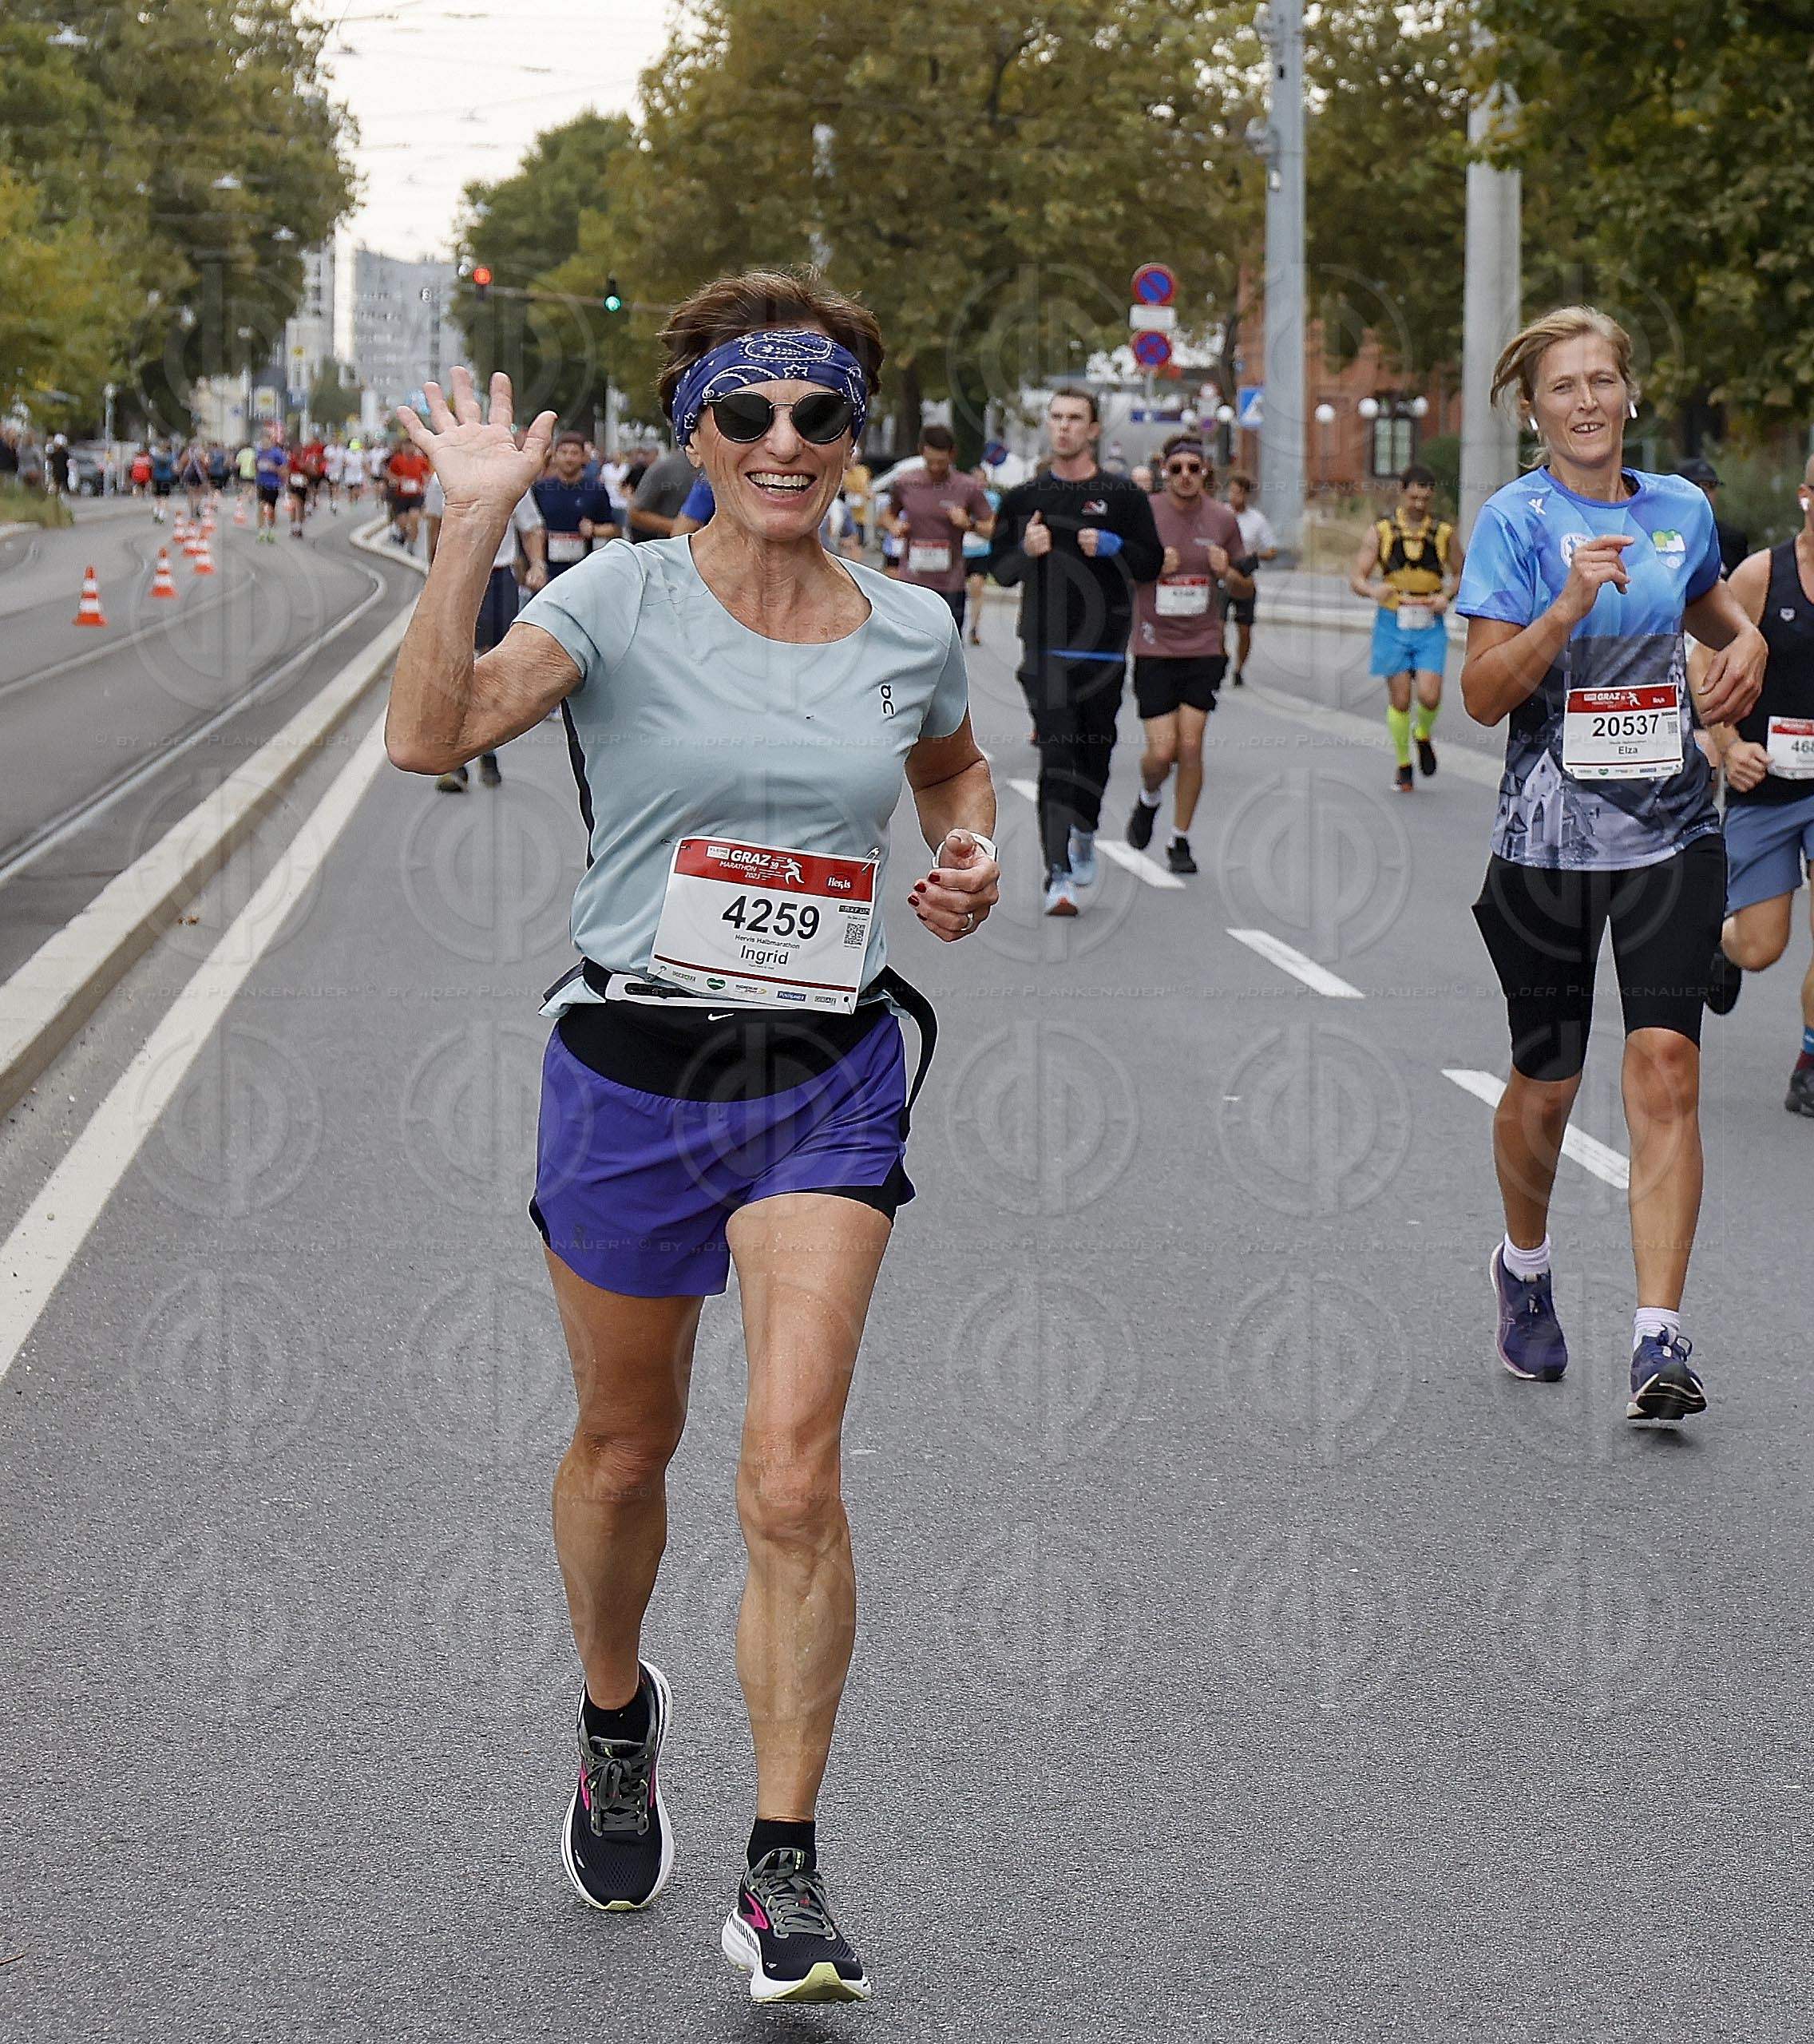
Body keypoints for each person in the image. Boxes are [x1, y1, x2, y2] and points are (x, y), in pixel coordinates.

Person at [385, 272, 999, 2006]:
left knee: (792, 1471)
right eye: (748, 413)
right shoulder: (619, 597)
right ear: (698, 435)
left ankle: (780, 1873)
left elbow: (951, 773)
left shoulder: (909, 626)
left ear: (853, 438)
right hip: (633, 1069)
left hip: (825, 1070)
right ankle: (613, 1719)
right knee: (623, 1446)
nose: (784, 442)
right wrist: (472, 525)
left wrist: (970, 851)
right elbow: (427, 736)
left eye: (818, 415)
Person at [1457, 304, 1765, 1424]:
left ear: (1629, 393)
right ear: (1531, 410)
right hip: (1546, 844)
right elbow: (1481, 694)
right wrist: (1566, 607)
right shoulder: (1514, 520)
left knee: (1666, 1063)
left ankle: (1658, 1336)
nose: (1585, 401)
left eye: (1600, 380)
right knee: (1547, 1082)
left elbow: (1717, 614)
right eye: (1562, 386)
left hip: (1673, 831)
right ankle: (1525, 1266)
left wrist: (1748, 643)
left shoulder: (1679, 509)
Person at [987, 386, 1163, 915]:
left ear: (1093, 430)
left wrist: (1116, 548)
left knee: (1095, 754)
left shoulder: (1123, 496)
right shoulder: (1024, 498)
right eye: (1056, 417)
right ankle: (1058, 874)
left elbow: (1152, 563)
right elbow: (999, 571)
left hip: (1104, 651)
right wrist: (1027, 550)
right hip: (1045, 648)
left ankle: (1086, 829)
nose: (1063, 426)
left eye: (1075, 418)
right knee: (1058, 754)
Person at [1701, 454, 1814, 1115]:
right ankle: (1719, 943)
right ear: (1805, 495)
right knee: (1762, 946)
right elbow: (1705, 660)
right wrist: (1729, 744)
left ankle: (1809, 1062)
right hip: (1765, 782)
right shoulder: (1761, 575)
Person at [1124, 437, 1252, 874]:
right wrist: (1150, 567)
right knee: (1162, 754)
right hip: (1154, 646)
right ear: (1164, 470)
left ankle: (1180, 839)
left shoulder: (1223, 519)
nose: (1185, 476)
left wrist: (1226, 571)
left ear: (1205, 472)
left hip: (1203, 647)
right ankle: (1149, 798)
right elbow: (1119, 570)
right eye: (1176, 468)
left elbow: (1246, 587)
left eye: (1193, 468)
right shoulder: (1144, 514)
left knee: (1192, 745)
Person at [422, 466, 546, 789]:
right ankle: (457, 760)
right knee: (457, 667)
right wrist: (435, 581)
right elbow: (434, 528)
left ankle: (484, 751)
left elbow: (531, 526)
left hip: (498, 578)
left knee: (488, 668)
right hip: (457, 578)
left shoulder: (511, 476)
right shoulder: (442, 478)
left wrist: (537, 564)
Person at [1349, 462, 1463, 792]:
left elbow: (1462, 572)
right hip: (1393, 619)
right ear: (1402, 493)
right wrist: (1374, 590)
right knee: (1400, 700)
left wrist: (1446, 596)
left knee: (1429, 695)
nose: (1418, 504)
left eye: (1425, 499)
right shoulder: (1381, 531)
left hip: (1429, 620)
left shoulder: (1443, 533)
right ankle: (1403, 763)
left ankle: (1422, 733)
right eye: (1413, 498)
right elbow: (1356, 577)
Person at [879, 426, 993, 632]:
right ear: (921, 452)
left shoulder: (967, 487)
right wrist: (894, 526)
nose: (935, 467)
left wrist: (969, 524)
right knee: (910, 644)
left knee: (948, 645)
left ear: (952, 454)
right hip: (912, 582)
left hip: (951, 585)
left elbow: (992, 528)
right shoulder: (906, 483)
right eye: (930, 461)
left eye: (941, 462)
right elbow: (887, 515)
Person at [533, 429, 620, 576]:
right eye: (564, 452)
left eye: (574, 453)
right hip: (548, 570)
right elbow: (529, 529)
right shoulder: (541, 489)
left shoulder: (595, 489)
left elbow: (614, 529)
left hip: (584, 569)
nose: (569, 458)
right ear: (555, 456)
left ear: (584, 457)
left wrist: (594, 530)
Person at [1222, 470, 1276, 686]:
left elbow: (1272, 550)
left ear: (1246, 495)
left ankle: (1239, 668)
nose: (1234, 497)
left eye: (1238, 493)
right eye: (1231, 492)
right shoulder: (1220, 514)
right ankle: (1222, 656)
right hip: (1223, 573)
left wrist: (1254, 554)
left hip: (1244, 576)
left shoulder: (1256, 520)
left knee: (1244, 629)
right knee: (1216, 626)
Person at [1677, 455, 1749, 578]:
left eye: (1710, 486)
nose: (1703, 493)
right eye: (1696, 486)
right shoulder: (1664, 536)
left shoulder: (1733, 540)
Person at [628, 443, 697, 541]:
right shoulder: (665, 467)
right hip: (666, 543)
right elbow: (635, 513)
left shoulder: (712, 468)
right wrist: (680, 527)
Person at [961, 463, 996, 645]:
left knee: (976, 587)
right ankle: (957, 626)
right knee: (958, 592)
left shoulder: (993, 499)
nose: (978, 484)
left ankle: (974, 627)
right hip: (961, 550)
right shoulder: (961, 496)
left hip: (981, 550)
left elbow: (993, 525)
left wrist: (972, 525)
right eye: (975, 480)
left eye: (981, 480)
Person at [386, 433, 431, 549]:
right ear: (403, 447)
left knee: (414, 517)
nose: (409, 448)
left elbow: (427, 474)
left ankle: (412, 544)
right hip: (401, 495)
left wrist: (424, 485)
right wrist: (398, 479)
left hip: (416, 495)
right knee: (402, 521)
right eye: (407, 446)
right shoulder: (397, 460)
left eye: (412, 446)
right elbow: (389, 474)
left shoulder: (421, 460)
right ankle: (404, 535)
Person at [253, 430, 287, 543]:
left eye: (266, 440)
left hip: (273, 484)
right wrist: (257, 468)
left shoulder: (277, 453)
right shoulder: (259, 452)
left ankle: (271, 530)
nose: (264, 442)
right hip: (261, 483)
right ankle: (261, 532)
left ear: (270, 440)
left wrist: (274, 468)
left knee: (271, 509)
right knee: (261, 506)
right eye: (262, 440)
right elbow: (256, 465)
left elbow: (284, 469)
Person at [149, 441, 176, 523]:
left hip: (157, 478)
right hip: (167, 478)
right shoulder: (171, 457)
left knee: (158, 497)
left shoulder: (156, 456)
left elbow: (151, 465)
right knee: (164, 497)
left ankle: (156, 511)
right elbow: (174, 468)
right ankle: (161, 515)